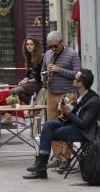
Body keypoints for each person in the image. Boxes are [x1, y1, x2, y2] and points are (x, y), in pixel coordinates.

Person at [23, 68, 100, 179]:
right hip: (73, 125)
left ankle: (40, 166)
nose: (73, 80)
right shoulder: (81, 95)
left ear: (80, 84)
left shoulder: (93, 100)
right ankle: (41, 166)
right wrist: (67, 107)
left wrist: (67, 112)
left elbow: (84, 124)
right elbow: (77, 113)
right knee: (48, 125)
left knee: (48, 133)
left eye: (75, 79)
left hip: (82, 132)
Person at [40, 30, 81, 169]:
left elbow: (77, 74)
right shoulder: (48, 54)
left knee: (65, 125)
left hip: (67, 95)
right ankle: (58, 157)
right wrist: (43, 76)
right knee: (51, 126)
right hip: (51, 94)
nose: (52, 49)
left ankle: (66, 158)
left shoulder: (72, 54)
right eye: (50, 46)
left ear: (62, 42)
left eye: (55, 46)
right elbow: (42, 70)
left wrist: (58, 69)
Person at [0, 37, 44, 124]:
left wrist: (26, 81)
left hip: (38, 83)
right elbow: (28, 74)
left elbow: (39, 77)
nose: (29, 46)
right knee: (18, 93)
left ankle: (10, 116)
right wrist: (23, 80)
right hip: (30, 83)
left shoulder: (40, 58)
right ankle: (32, 109)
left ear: (36, 46)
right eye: (27, 44)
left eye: (31, 44)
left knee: (12, 91)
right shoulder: (29, 57)